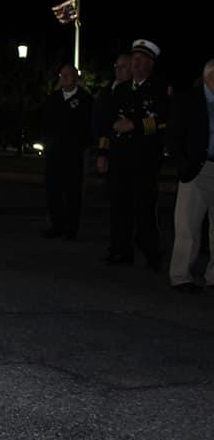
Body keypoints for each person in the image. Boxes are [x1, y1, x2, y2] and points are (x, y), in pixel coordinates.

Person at [95, 39, 167, 269]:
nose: (135, 65)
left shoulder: (159, 90)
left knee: (144, 209)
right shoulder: (121, 90)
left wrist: (134, 125)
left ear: (149, 64)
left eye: (140, 61)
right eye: (134, 60)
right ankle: (120, 250)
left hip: (144, 160)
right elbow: (108, 125)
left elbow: (163, 121)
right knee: (119, 207)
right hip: (119, 158)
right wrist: (103, 152)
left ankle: (152, 253)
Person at [166, 60, 214, 293]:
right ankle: (181, 275)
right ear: (210, 78)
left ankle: (213, 277)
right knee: (187, 225)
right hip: (197, 169)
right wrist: (184, 166)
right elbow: (173, 138)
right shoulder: (189, 100)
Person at [41, 64, 94, 239]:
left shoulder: (85, 99)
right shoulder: (54, 98)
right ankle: (57, 225)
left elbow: (88, 126)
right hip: (54, 153)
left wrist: (80, 145)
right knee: (53, 190)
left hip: (73, 154)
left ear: (76, 77)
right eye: (62, 75)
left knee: (72, 192)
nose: (64, 78)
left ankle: (71, 229)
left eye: (68, 75)